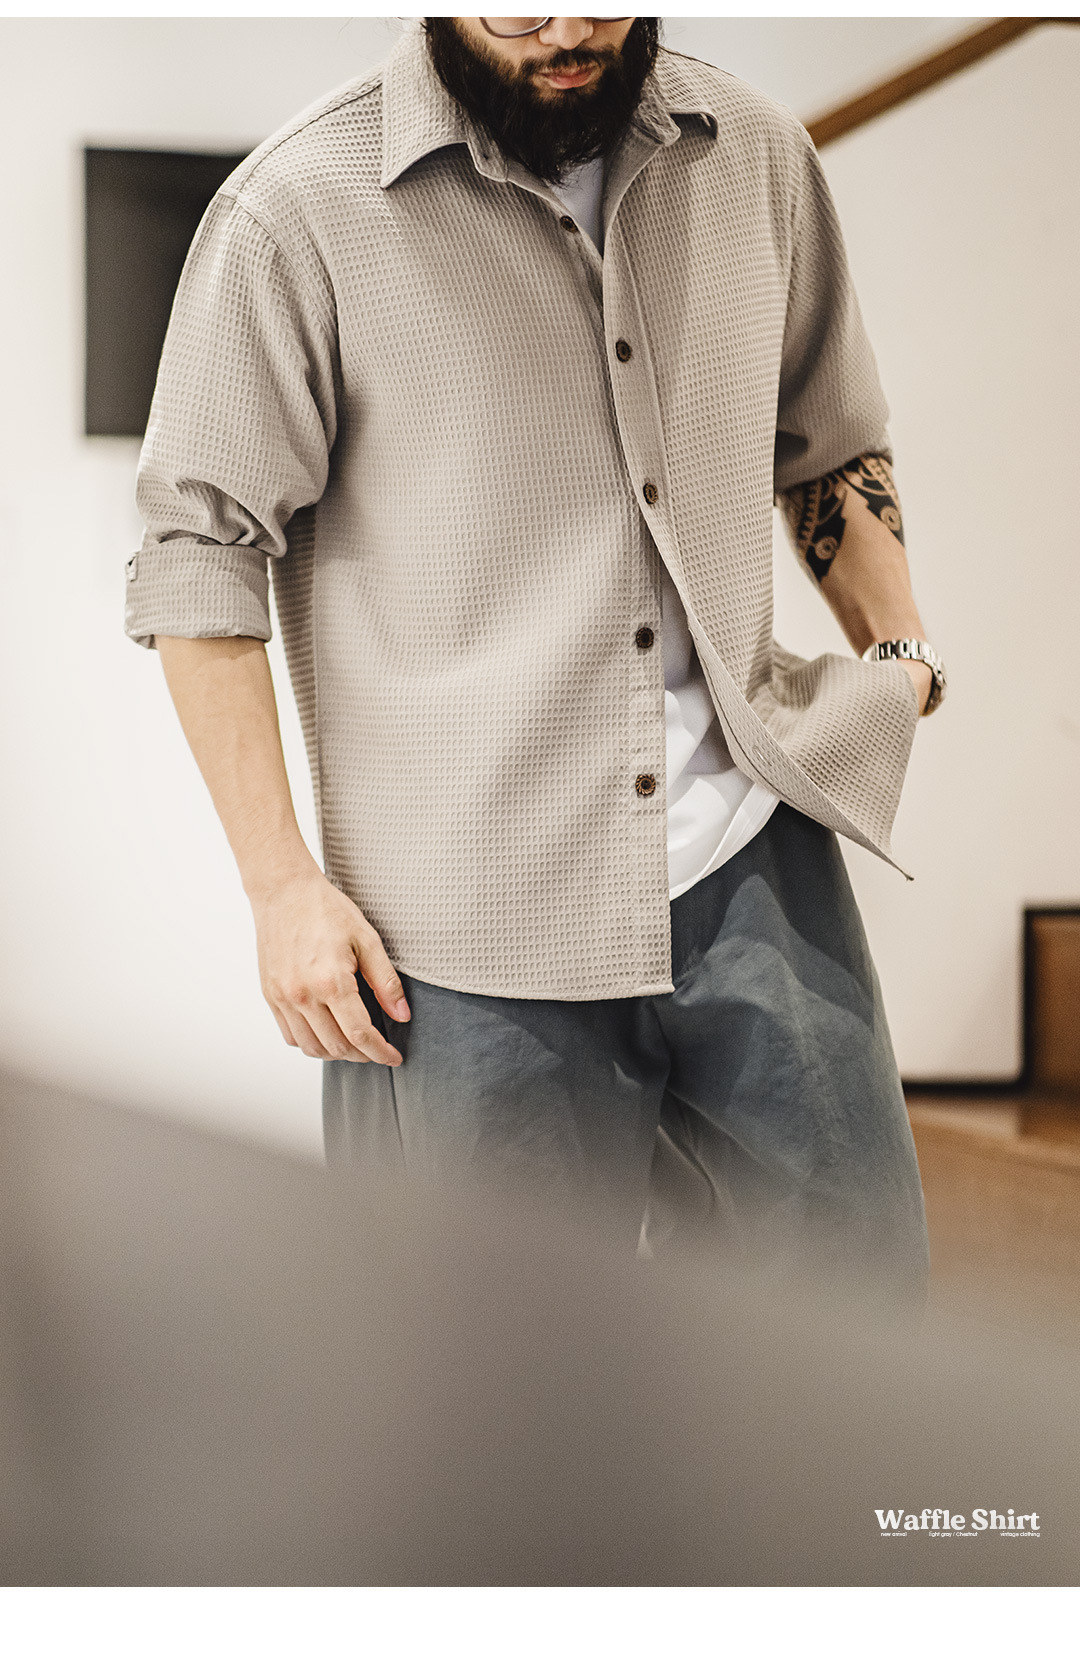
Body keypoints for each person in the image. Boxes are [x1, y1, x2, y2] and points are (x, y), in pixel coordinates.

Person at [126, 17, 945, 1292]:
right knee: (491, 1368)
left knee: (864, 1323)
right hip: (462, 925)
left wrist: (900, 650)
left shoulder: (755, 154)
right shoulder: (295, 208)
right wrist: (281, 889)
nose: (568, 31)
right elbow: (198, 553)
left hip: (757, 862)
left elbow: (829, 437)